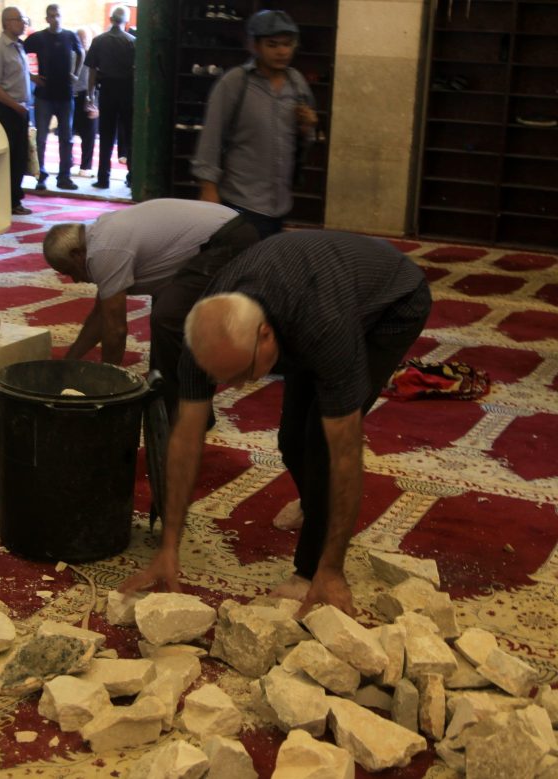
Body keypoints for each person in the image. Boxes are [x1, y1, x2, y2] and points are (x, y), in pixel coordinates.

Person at [119, 231, 432, 616]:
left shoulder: (322, 326)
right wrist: (169, 545)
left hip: (392, 301)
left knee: (320, 439)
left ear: (266, 335)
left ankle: (312, 566)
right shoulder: (205, 335)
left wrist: (329, 569)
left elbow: (345, 450)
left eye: (242, 374)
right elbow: (185, 439)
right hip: (311, 290)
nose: (236, 387)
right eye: (225, 378)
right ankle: (315, 504)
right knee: (290, 441)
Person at [43, 200, 259, 414]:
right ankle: (168, 402)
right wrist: (67, 364)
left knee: (167, 317)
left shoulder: (104, 250)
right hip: (226, 231)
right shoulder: (99, 238)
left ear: (77, 254)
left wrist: (107, 389)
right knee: (167, 314)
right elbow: (100, 317)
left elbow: (115, 330)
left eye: (70, 271)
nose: (75, 280)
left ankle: (183, 413)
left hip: (228, 240)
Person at [192, 10, 317, 238]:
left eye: (287, 44)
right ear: (254, 46)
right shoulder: (235, 83)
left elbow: (302, 143)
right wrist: (208, 190)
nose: (282, 51)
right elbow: (211, 136)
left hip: (280, 205)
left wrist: (307, 128)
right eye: (272, 44)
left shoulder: (297, 84)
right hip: (240, 203)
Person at [24, 4, 83, 192]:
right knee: (41, 138)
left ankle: (64, 177)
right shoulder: (39, 38)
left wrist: (76, 73)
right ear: (47, 18)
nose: (55, 18)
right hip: (44, 96)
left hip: (65, 95)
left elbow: (81, 52)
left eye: (57, 15)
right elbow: (19, 52)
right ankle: (41, 175)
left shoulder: (70, 36)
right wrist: (31, 76)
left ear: (61, 16)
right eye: (51, 15)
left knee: (66, 138)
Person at [0, 6, 33, 216]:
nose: (23, 23)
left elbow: (17, 75)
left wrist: (34, 79)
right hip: (6, 110)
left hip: (20, 109)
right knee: (9, 158)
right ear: (7, 23)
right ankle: (8, 201)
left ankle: (14, 198)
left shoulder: (18, 47)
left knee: (20, 157)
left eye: (24, 20)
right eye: (19, 20)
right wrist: (16, 107)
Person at [84, 5, 135, 189]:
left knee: (106, 136)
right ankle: (132, 177)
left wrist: (91, 95)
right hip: (127, 91)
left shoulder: (99, 41)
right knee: (129, 135)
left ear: (111, 18)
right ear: (126, 21)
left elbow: (91, 70)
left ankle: (103, 178)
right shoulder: (132, 42)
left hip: (107, 90)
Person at [72, 27, 98, 177]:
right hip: (72, 97)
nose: (82, 42)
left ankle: (85, 167)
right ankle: (68, 163)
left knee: (89, 135)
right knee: (67, 134)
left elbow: (98, 83)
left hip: (88, 97)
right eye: (80, 39)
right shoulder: (70, 56)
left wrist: (96, 105)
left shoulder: (93, 57)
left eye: (85, 39)